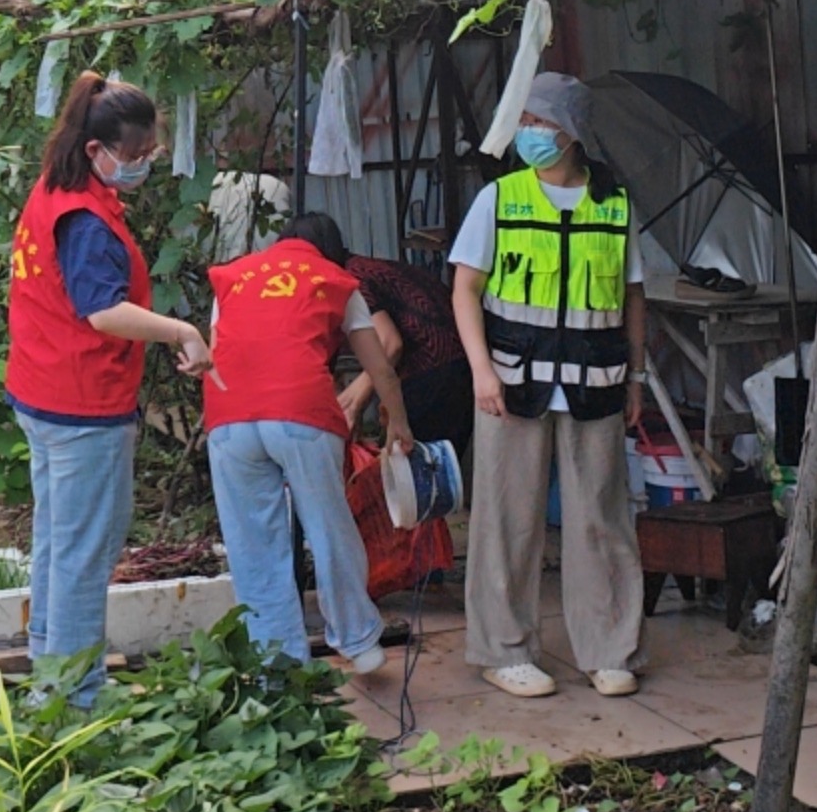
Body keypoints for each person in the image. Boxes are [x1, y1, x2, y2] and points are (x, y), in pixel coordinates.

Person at [6, 72, 212, 698]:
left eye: (150, 151)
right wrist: (182, 331)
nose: (144, 163)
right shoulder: (86, 221)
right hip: (82, 407)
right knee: (83, 558)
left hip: (42, 392)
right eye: (136, 154)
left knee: (57, 544)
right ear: (96, 150)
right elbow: (103, 312)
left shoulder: (56, 184)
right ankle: (74, 700)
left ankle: (50, 677)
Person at [451, 72, 650, 700]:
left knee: (602, 519)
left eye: (540, 122)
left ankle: (611, 650)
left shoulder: (614, 204)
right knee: (505, 520)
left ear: (573, 133)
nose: (529, 132)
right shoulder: (500, 199)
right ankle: (504, 650)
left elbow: (632, 297)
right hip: (512, 382)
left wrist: (637, 377)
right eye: (526, 122)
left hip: (597, 380)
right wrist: (481, 370)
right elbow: (464, 290)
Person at [204, 214, 414, 672]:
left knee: (253, 543)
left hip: (228, 416)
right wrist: (398, 422)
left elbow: (217, 350)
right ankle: (358, 640)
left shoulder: (233, 277)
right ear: (332, 249)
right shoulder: (336, 279)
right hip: (301, 411)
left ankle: (275, 663)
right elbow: (380, 366)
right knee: (328, 526)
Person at [335, 251, 474, 451]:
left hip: (431, 369)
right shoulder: (374, 267)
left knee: (412, 460)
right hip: (461, 362)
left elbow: (390, 344)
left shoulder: (351, 278)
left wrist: (354, 401)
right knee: (441, 460)